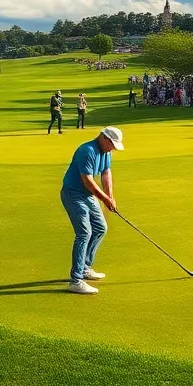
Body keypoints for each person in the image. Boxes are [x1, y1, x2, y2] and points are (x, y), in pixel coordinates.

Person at [60, 126, 124, 295]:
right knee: (84, 233)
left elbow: (106, 173)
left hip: (87, 196)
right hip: (73, 194)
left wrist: (110, 197)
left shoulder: (106, 152)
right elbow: (87, 181)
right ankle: (76, 280)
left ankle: (85, 267)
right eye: (112, 144)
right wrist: (105, 199)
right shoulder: (87, 150)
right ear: (104, 138)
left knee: (100, 228)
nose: (113, 149)